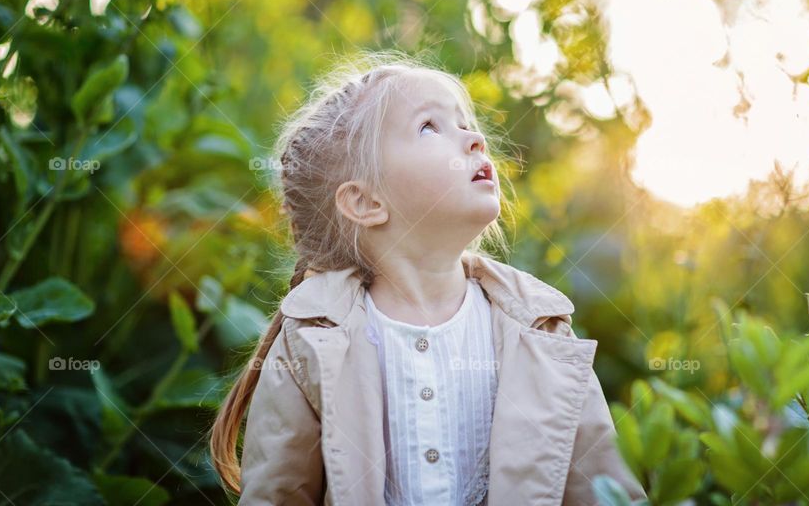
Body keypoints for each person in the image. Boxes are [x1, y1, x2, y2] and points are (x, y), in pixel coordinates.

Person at [209, 52, 646, 505]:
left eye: (464, 123)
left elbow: (606, 492)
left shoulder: (542, 330)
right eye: (429, 127)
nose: (474, 138)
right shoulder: (312, 340)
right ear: (364, 203)